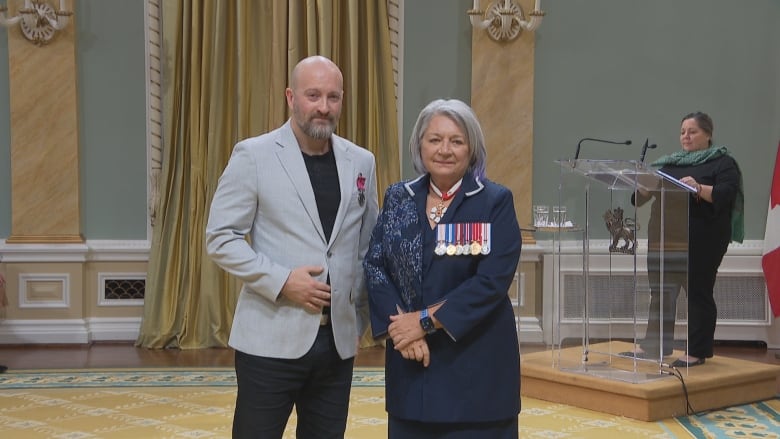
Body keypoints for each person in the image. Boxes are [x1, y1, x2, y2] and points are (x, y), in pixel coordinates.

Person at [205, 55, 378, 438]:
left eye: (333, 97)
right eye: (313, 95)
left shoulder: (361, 162)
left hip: (337, 345)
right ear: (290, 97)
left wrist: (358, 320)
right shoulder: (253, 155)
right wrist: (282, 281)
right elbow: (220, 237)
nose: (323, 107)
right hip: (269, 339)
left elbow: (367, 248)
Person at [364, 98, 522, 438]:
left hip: (475, 370)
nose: (444, 150)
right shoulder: (398, 197)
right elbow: (375, 265)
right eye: (434, 139)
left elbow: (490, 283)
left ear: (472, 148)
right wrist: (401, 331)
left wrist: (422, 323)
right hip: (412, 366)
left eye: (456, 140)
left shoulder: (494, 201)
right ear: (420, 145)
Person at [624, 111, 743, 368]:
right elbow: (637, 200)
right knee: (661, 295)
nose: (685, 137)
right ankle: (655, 347)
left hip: (702, 241)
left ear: (708, 134)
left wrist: (699, 187)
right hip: (664, 241)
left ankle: (697, 351)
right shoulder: (669, 164)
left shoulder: (722, 163)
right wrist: (643, 184)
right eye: (682, 132)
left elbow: (726, 194)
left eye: (692, 131)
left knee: (698, 294)